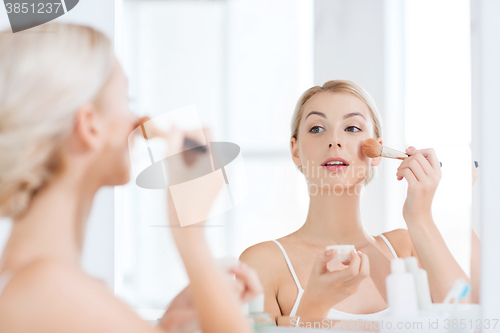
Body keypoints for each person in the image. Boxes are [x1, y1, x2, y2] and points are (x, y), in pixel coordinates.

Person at [0, 23, 261, 333]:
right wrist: (190, 236)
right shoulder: (49, 290)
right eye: (127, 100)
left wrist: (167, 326)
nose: (137, 119)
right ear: (90, 126)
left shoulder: (39, 285)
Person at [239, 80, 471, 323]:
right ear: (296, 151)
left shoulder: (405, 249)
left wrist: (420, 217)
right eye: (317, 128)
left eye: (351, 128)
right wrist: (315, 305)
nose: (335, 141)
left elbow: (471, 324)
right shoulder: (263, 262)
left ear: (377, 151)